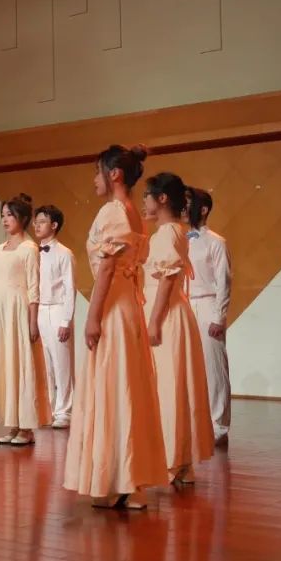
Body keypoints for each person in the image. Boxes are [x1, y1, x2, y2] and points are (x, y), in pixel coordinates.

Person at [63, 145, 166, 509]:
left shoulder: (112, 211)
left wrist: (93, 316)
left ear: (114, 174)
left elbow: (107, 268)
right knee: (126, 386)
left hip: (114, 307)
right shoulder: (133, 213)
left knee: (112, 386)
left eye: (97, 172)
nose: (94, 179)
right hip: (128, 308)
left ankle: (119, 478)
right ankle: (128, 480)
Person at [143, 173, 214, 485]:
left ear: (161, 199)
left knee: (170, 387)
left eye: (147, 196)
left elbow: (168, 279)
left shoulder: (168, 233)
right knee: (172, 386)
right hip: (169, 314)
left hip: (167, 316)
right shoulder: (171, 232)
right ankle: (180, 461)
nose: (143, 202)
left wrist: (154, 320)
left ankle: (174, 459)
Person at [0, 194, 51, 446]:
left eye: (10, 215)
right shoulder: (0, 248)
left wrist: (33, 321)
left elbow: (33, 287)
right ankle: (13, 422)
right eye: (2, 215)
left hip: (20, 310)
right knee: (6, 364)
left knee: (22, 364)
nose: (5, 220)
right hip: (1, 310)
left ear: (22, 218)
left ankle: (26, 427)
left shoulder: (29, 248)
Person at [186, 187, 233, 446]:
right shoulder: (180, 240)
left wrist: (219, 317)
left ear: (203, 209)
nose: (184, 207)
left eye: (189, 202)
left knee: (214, 368)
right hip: (184, 305)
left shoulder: (216, 242)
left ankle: (219, 426)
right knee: (189, 367)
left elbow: (224, 282)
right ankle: (195, 423)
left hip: (207, 304)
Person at [32, 204, 76, 429]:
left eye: (42, 221)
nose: (37, 225)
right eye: (36, 221)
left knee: (62, 363)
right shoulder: (32, 252)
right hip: (39, 309)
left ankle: (64, 411)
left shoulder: (64, 253)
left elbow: (70, 289)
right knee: (44, 364)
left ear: (54, 225)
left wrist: (66, 321)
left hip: (58, 309)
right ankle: (47, 409)